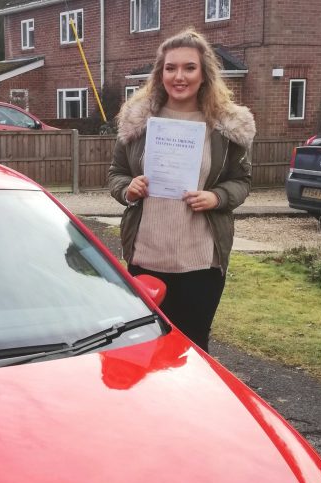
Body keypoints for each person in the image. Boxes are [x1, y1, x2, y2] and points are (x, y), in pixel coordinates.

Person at [108, 28, 255, 352]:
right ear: (160, 73)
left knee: (191, 352)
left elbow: (242, 181)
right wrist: (128, 189)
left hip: (201, 263)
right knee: (145, 349)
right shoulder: (138, 121)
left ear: (204, 74)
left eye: (189, 67)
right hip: (146, 257)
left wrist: (217, 197)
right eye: (170, 67)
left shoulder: (226, 126)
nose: (179, 76)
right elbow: (116, 174)